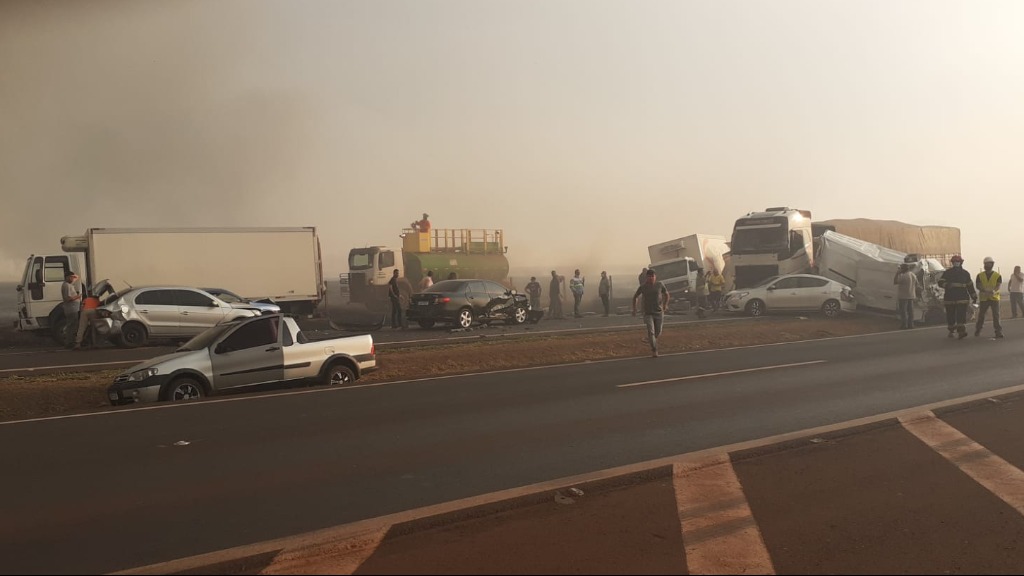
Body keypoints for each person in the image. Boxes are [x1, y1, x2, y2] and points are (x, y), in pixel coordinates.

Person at [937, 254, 977, 339]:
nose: (956, 263)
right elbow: (940, 282)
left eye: (957, 262)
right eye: (954, 262)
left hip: (962, 298)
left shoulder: (965, 274)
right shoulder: (947, 273)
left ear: (961, 262)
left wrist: (974, 296)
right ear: (952, 263)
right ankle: (951, 330)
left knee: (961, 315)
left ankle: (961, 331)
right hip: (950, 298)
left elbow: (970, 286)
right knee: (950, 315)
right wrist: (947, 285)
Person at [633, 269, 670, 358]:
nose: (651, 278)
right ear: (646, 277)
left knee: (658, 332)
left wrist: (665, 305)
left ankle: (649, 339)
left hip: (659, 312)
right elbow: (635, 297)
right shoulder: (643, 287)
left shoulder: (659, 285)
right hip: (647, 312)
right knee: (651, 331)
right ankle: (654, 350)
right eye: (649, 277)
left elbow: (667, 294)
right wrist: (634, 309)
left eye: (652, 276)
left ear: (655, 277)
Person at [975, 256, 1003, 338]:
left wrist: (994, 291)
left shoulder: (997, 275)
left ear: (992, 264)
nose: (988, 265)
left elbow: (998, 285)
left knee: (996, 315)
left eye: (989, 263)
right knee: (981, 315)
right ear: (984, 265)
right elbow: (978, 285)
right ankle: (978, 329)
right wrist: (984, 290)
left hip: (994, 298)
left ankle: (998, 332)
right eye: (987, 264)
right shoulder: (980, 275)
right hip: (984, 298)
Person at [893, 263, 919, 330]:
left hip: (903, 296)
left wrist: (897, 273)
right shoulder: (913, 275)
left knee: (903, 311)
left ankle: (904, 325)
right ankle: (911, 324)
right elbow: (917, 284)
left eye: (901, 268)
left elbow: (895, 282)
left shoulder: (904, 276)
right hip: (911, 295)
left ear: (903, 269)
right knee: (910, 311)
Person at [60, 271, 82, 348]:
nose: (73, 278)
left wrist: (74, 276)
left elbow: (77, 277)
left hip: (73, 308)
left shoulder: (69, 285)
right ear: (67, 277)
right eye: (71, 277)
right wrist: (78, 296)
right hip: (71, 309)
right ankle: (70, 342)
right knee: (72, 326)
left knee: (73, 325)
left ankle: (70, 341)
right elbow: (68, 298)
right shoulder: (66, 286)